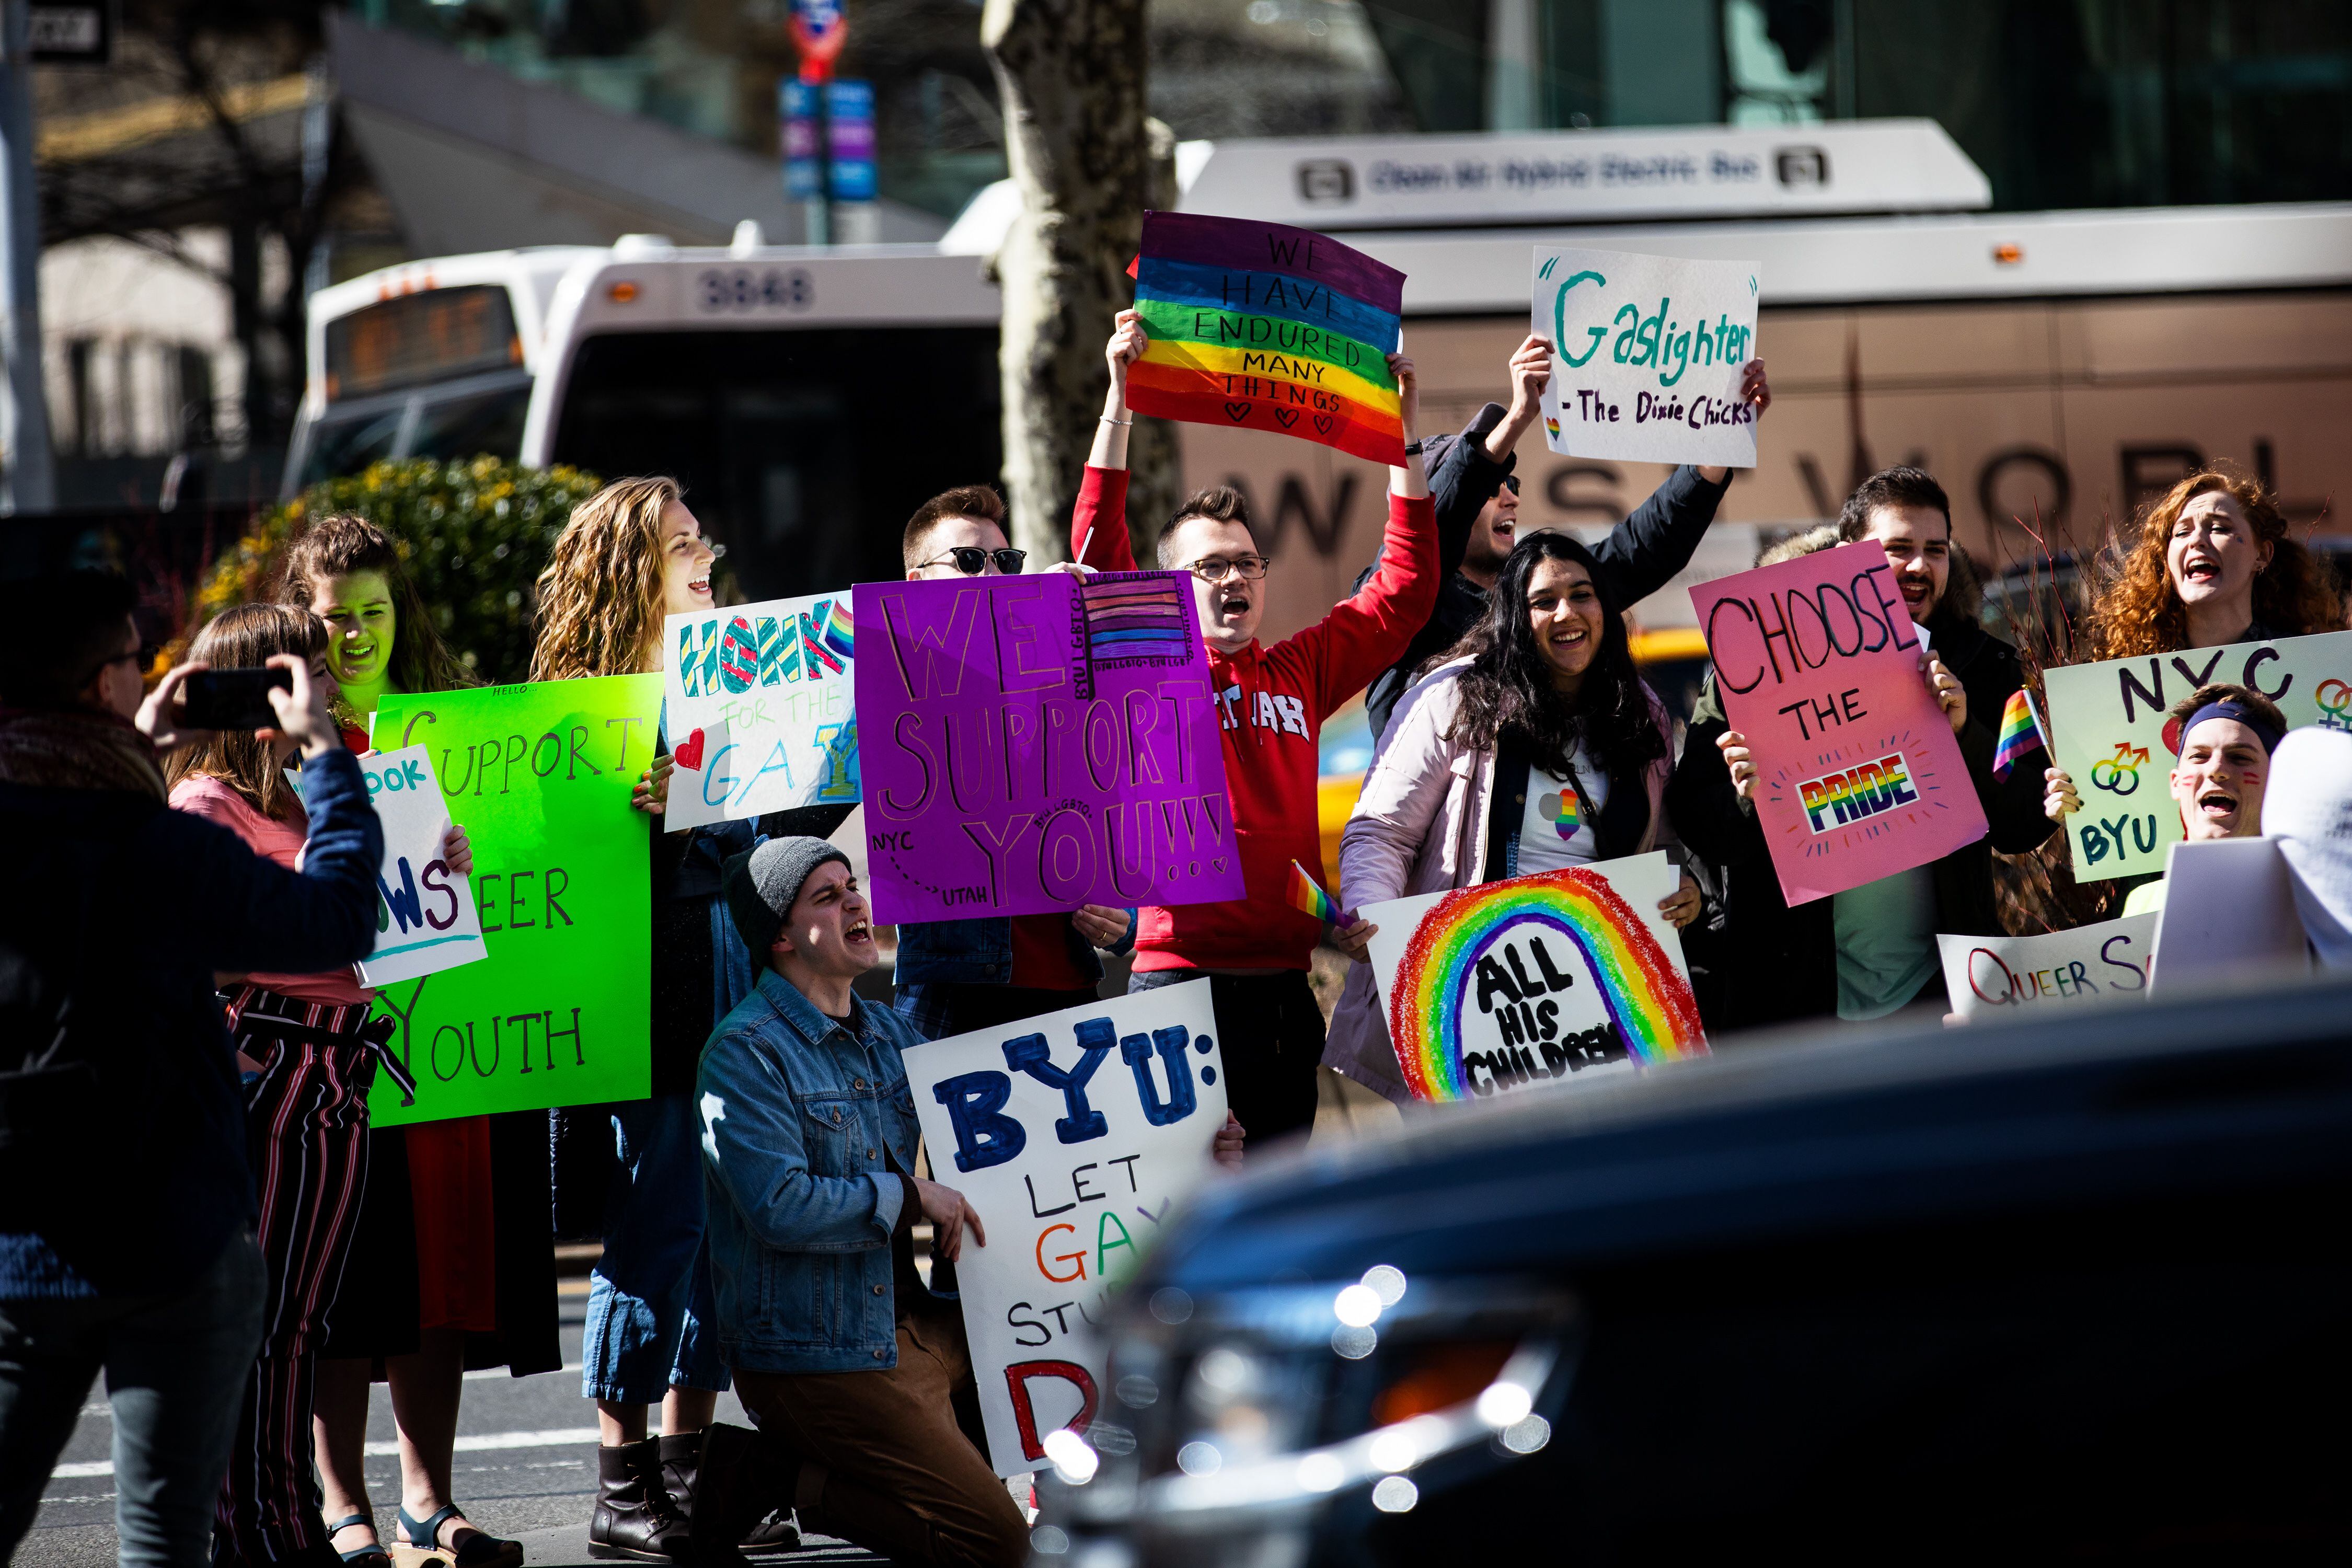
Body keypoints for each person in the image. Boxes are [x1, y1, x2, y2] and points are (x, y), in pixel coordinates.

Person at [688, 839, 1247, 1568]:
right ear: (781, 938)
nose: (856, 901)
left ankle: (841, 1470)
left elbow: (1040, 1138)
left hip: (918, 1331)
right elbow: (779, 1206)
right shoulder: (742, 1054)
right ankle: (778, 1478)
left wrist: (1192, 1151)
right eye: (826, 897)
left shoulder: (890, 1033)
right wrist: (912, 1194)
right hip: (818, 1355)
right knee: (1001, 1550)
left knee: (1084, 1355)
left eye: (851, 886)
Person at [1, 572, 380, 1568]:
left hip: (25, 1232)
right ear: (99, 687)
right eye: (134, 659)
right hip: (177, 1229)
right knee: (164, 1545)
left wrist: (143, 756)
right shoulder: (163, 842)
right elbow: (338, 918)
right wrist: (327, 763)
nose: (149, 675)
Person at [1073, 314, 1438, 1145]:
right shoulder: (1148, 664)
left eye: (1246, 563)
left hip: (1281, 988)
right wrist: (1119, 394)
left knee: (1279, 1200)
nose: (1233, 577)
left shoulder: (1299, 670)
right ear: (1168, 586)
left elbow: (1406, 592)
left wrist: (1402, 437)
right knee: (1178, 1216)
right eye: (1209, 566)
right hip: (1175, 984)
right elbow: (1095, 552)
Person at [160, 604, 470, 1568]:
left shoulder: (322, 795)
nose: (331, 687)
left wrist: (439, 866)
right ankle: (250, 1526)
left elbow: (387, 934)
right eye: (312, 671)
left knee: (297, 1323)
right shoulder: (209, 803)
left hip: (338, 1068)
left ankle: (278, 1522)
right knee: (255, 1323)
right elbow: (177, 943)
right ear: (261, 689)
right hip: (275, 1070)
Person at [531, 476, 798, 1558]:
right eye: (683, 546)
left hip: (724, 990)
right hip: (640, 1001)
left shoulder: (719, 682)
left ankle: (687, 1470)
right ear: (626, 573)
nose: (706, 560)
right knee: (657, 1225)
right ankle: (621, 1480)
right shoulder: (575, 707)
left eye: (704, 539)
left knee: (715, 1235)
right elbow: (550, 866)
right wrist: (627, 813)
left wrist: (709, 813)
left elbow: (758, 848)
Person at [280, 518, 551, 1568]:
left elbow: (539, 851)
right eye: (335, 618)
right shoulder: (281, 736)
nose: (353, 636)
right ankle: (340, 1500)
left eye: (373, 615)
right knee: (341, 1272)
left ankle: (428, 1498)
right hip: (332, 1047)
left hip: (448, 1045)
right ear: (304, 619)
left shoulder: (455, 729)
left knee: (438, 1273)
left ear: (404, 618)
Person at [1669, 468, 2055, 1030]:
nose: (1919, 567)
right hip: (1795, 1009)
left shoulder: (1985, 667)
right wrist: (1745, 795)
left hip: (1939, 1001)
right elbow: (1701, 826)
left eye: (1935, 550)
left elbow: (2024, 823)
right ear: (1847, 556)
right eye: (1898, 549)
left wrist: (1965, 735)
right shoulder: (1754, 667)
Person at [1324, 532, 1703, 1100]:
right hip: (1475, 1003)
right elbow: (1382, 832)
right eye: (1544, 601)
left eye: (1582, 594)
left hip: (1602, 1004)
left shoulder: (1639, 710)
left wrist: (1687, 887)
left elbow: (1666, 843)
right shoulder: (1454, 697)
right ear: (1511, 617)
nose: (1567, 613)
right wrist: (1373, 915)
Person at [1359, 333, 1772, 742]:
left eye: (1512, 482)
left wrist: (1722, 440)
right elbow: (1427, 535)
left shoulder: (1537, 590)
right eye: (1489, 486)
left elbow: (1642, 550)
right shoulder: (1391, 605)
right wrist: (1518, 416)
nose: (1510, 496)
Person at [888, 485, 1136, 1042]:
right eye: (971, 561)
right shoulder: (897, 682)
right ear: (917, 585)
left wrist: (1130, 920)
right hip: (959, 1001)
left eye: (1008, 561)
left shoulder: (1059, 670)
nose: (995, 574)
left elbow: (1128, 797)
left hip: (1072, 992)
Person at [2043, 470, 2341, 841]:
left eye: (2217, 527)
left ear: (2262, 554)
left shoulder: (2318, 674)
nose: (2197, 540)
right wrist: (2073, 804)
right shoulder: (2117, 689)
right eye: (2181, 532)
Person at [2043, 683, 2286, 917]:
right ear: (2177, 784)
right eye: (2199, 756)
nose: (2217, 769)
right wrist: (2081, 816)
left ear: (2279, 780)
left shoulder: (2310, 898)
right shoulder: (2141, 903)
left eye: (2240, 757)